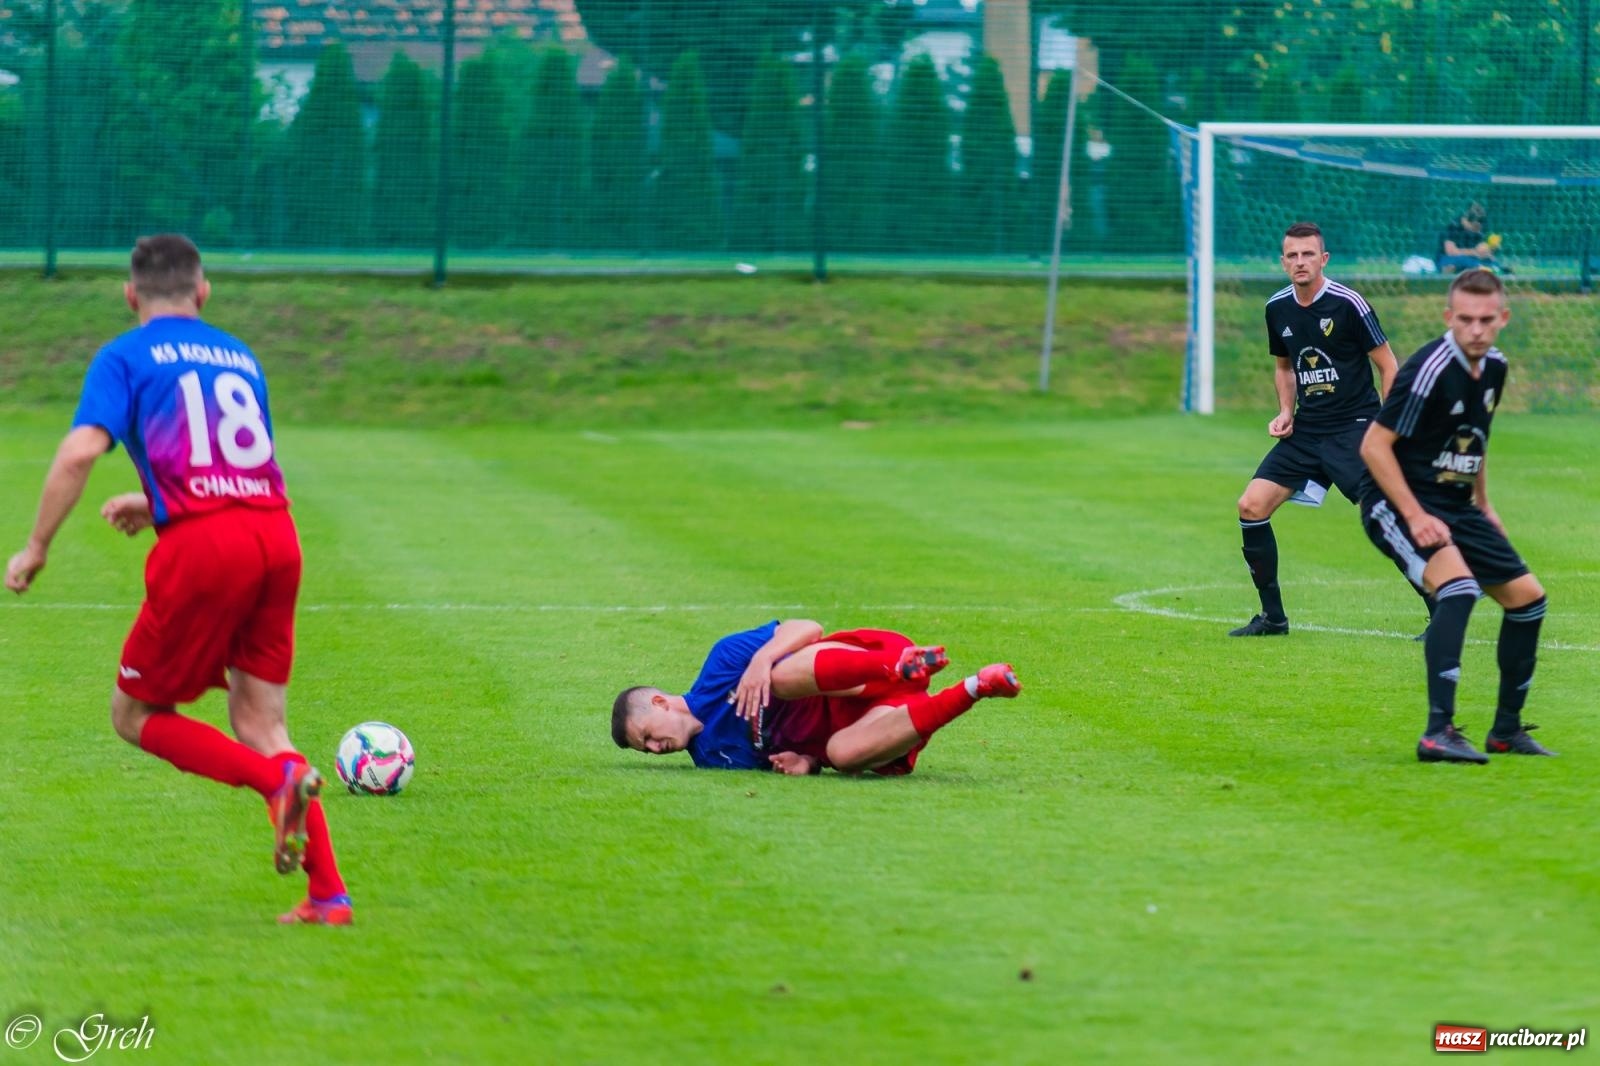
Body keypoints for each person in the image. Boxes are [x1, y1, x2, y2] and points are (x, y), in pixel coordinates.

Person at [4, 234, 352, 924]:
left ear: (130, 295)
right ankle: (327, 895)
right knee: (261, 720)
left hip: (206, 549)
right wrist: (155, 501)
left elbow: (79, 453)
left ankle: (276, 781)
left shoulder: (124, 356)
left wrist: (36, 546)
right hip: (275, 535)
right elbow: (230, 461)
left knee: (133, 715)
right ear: (204, 291)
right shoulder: (239, 354)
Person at [1358, 268, 1553, 764]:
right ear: (1449, 317)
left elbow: (1475, 437)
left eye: (1486, 320)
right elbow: (1374, 446)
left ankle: (1505, 731)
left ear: (1503, 318)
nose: (1476, 329)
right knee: (1460, 589)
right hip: (1395, 501)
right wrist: (1414, 516)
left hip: (1455, 505)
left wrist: (1484, 506)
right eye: (1466, 319)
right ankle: (1437, 732)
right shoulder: (1429, 368)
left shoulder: (1495, 368)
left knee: (1528, 600)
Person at [1230, 221, 1413, 637]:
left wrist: (1388, 428)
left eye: (1308, 254)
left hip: (1354, 427)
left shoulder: (1349, 304)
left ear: (1323, 259)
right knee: (1251, 506)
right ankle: (1273, 619)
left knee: (1384, 516)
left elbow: (1388, 366)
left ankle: (1440, 605)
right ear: (1283, 262)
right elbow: (1284, 366)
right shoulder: (1277, 307)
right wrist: (1285, 411)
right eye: (1292, 255)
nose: (1300, 262)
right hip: (1307, 431)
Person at [611, 620, 1021, 775]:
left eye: (647, 736)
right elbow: (796, 758)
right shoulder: (712, 759)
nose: (654, 749)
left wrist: (762, 660)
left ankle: (899, 666)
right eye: (646, 750)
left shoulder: (721, 663)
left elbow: (807, 627)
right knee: (841, 755)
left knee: (778, 676)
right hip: (879, 720)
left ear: (660, 702)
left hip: (863, 672)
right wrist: (808, 762)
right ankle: (978, 686)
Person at [1436, 202, 1505, 274]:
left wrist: (1488, 252)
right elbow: (1451, 252)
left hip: (1471, 259)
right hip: (1450, 258)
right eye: (1476, 226)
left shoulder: (1478, 230)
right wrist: (1475, 252)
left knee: (1491, 262)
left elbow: (1481, 249)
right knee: (1452, 264)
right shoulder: (1452, 227)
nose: (1479, 230)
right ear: (1467, 220)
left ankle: (1493, 270)